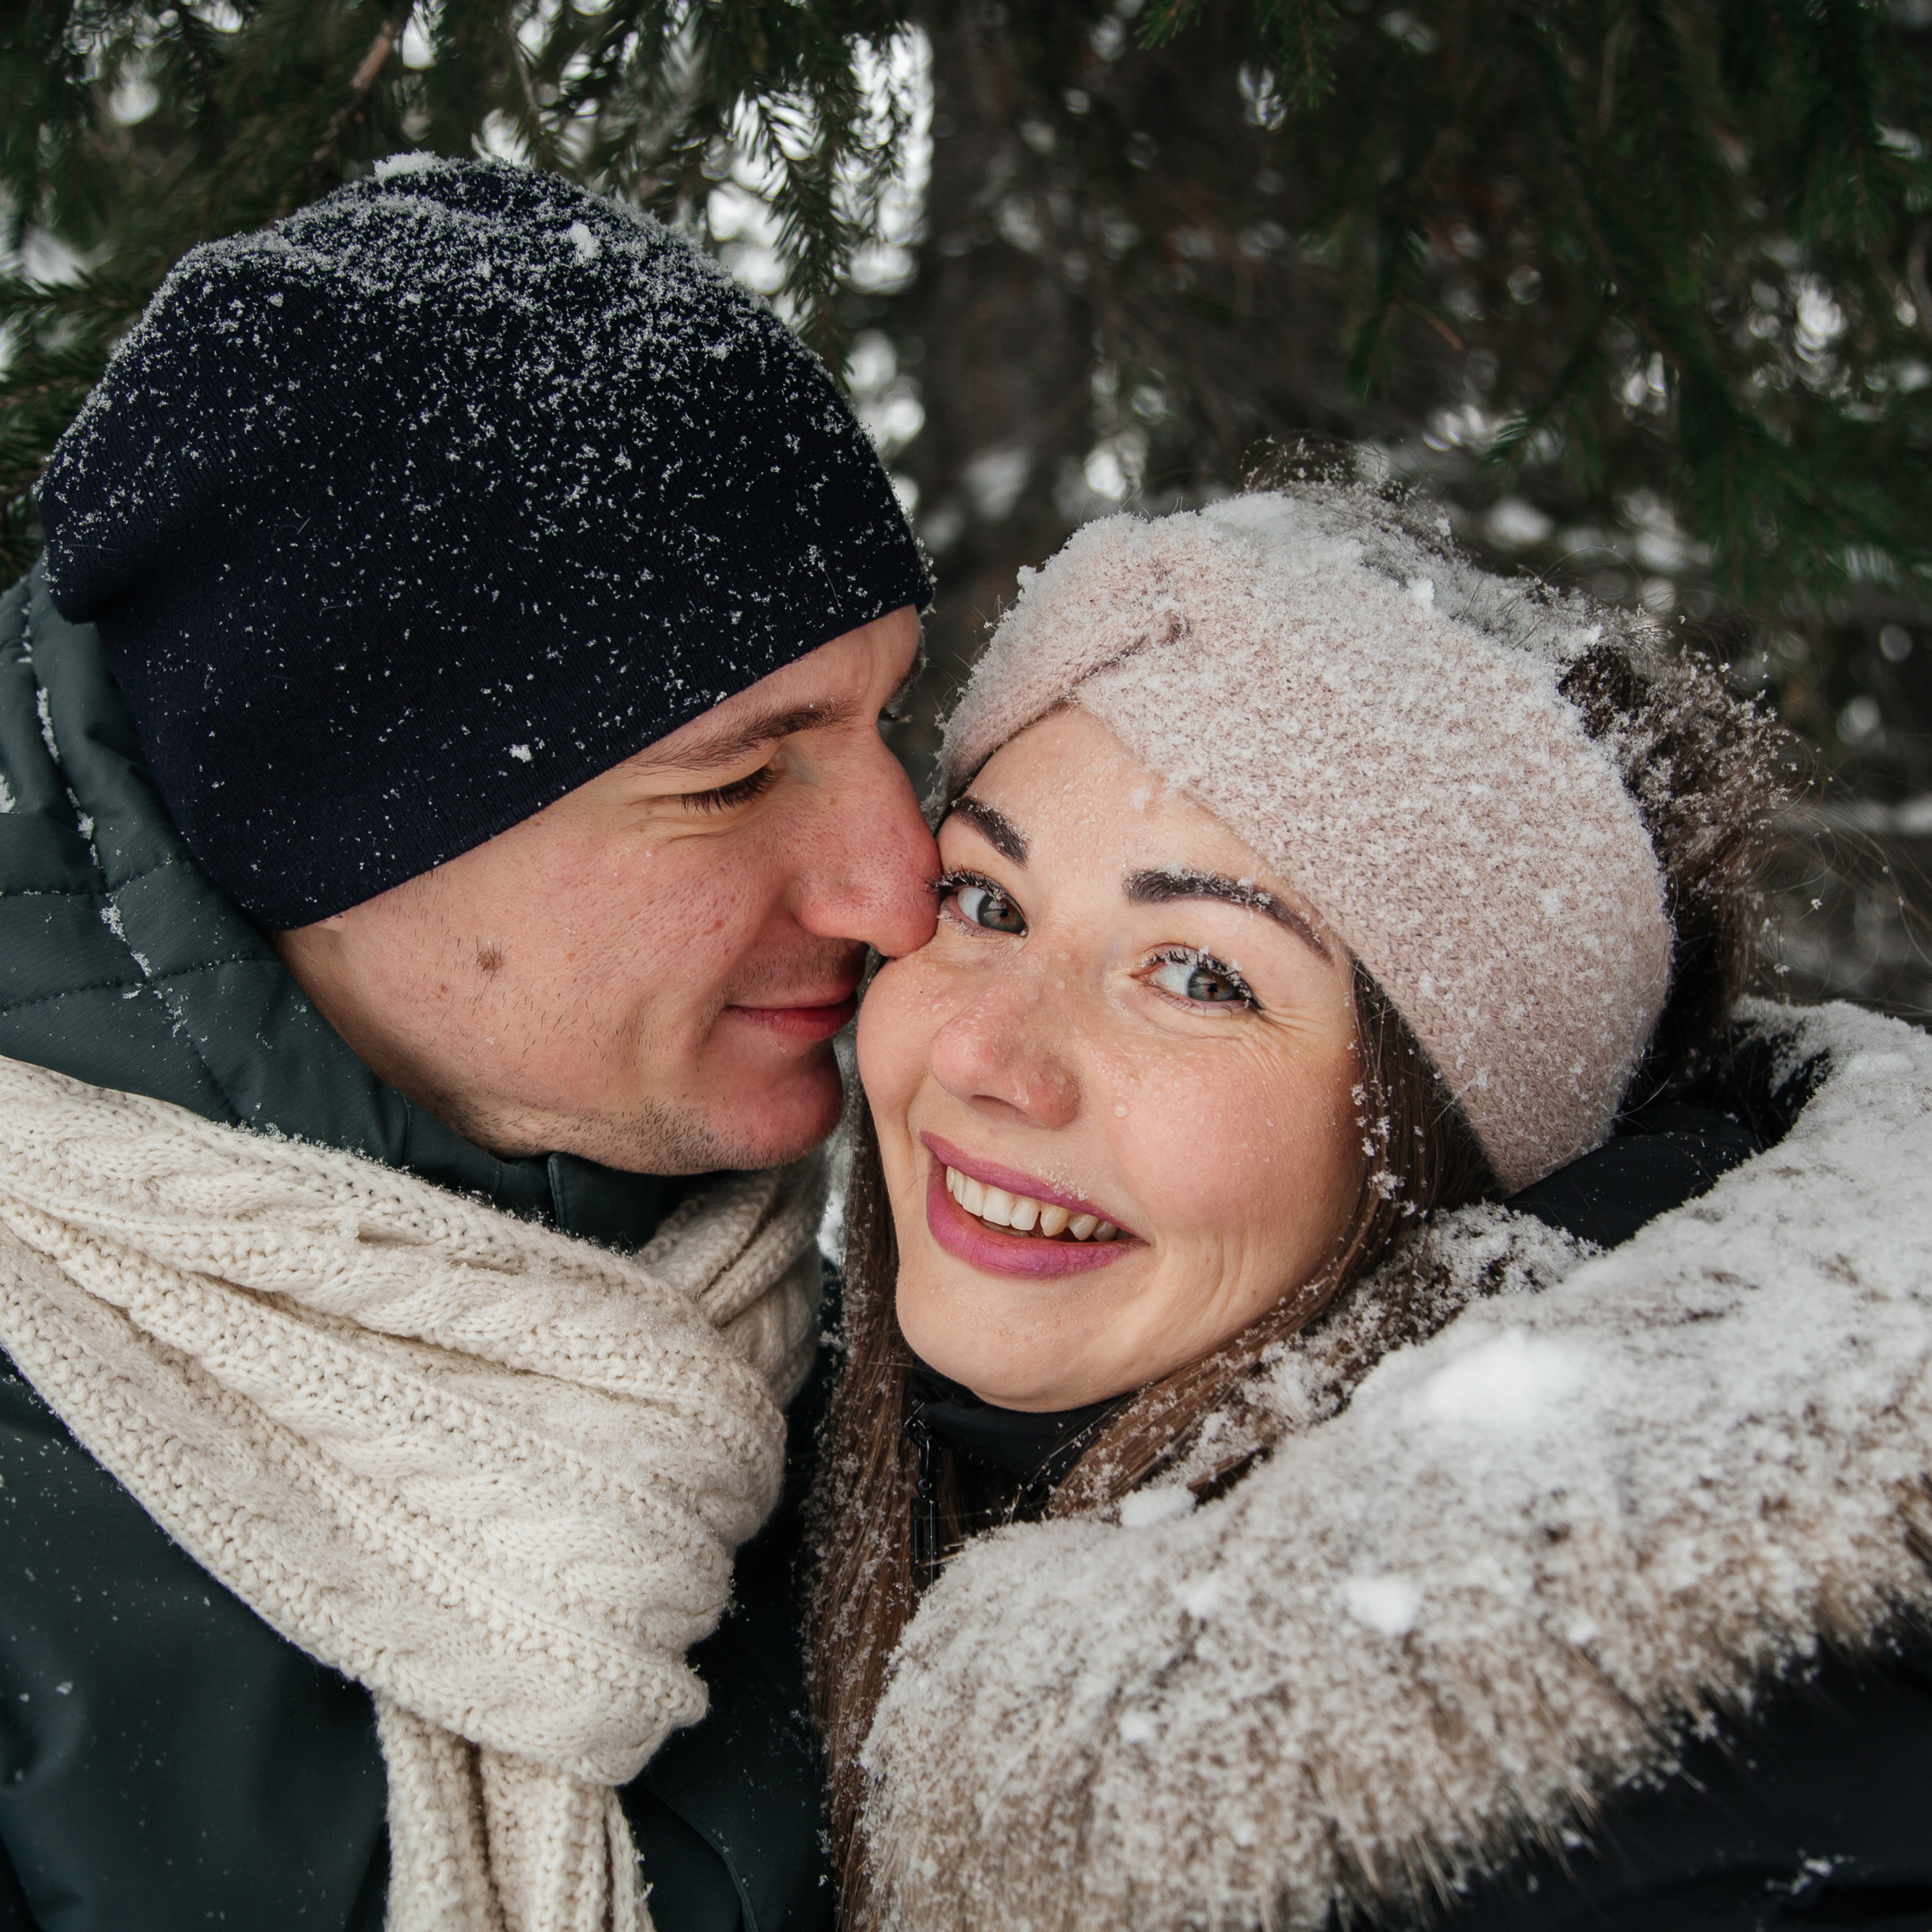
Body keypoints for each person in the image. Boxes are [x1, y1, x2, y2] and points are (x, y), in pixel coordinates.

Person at [0, 157, 939, 1931]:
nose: (900, 890)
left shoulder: (907, 1371)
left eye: (884, 718)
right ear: (337, 839)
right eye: (734, 775)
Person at [811, 474, 1932, 1931]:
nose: (980, 1054)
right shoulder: (771, 1485)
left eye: (1199, 974)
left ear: (1446, 1145)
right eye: (988, 903)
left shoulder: (1665, 1821)